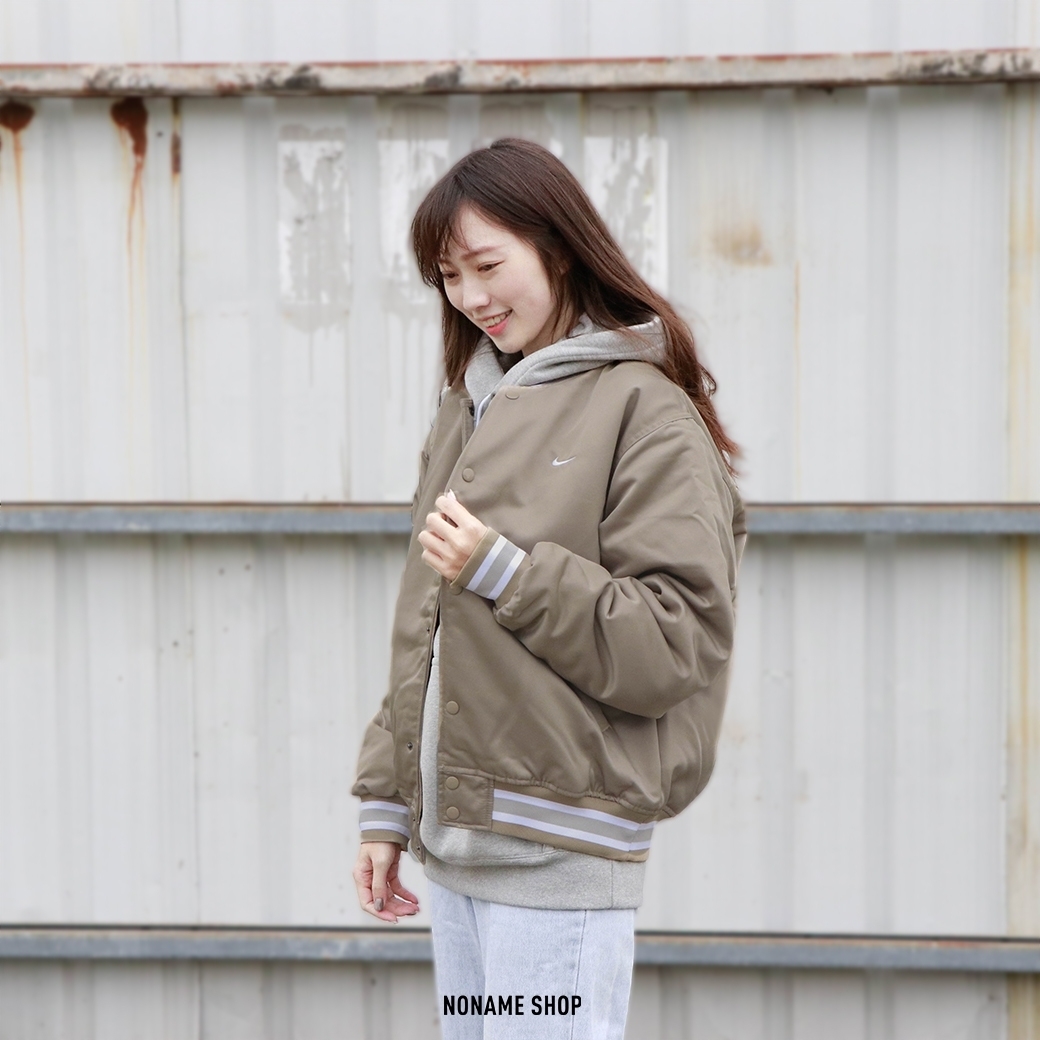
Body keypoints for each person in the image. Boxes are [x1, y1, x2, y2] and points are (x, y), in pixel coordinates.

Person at [352, 137, 745, 1040]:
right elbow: (427, 625)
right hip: (458, 851)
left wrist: (507, 572)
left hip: (558, 857)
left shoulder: (645, 409)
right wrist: (386, 803)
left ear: (559, 247)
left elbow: (677, 640)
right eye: (450, 276)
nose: (470, 297)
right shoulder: (470, 408)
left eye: (488, 266)